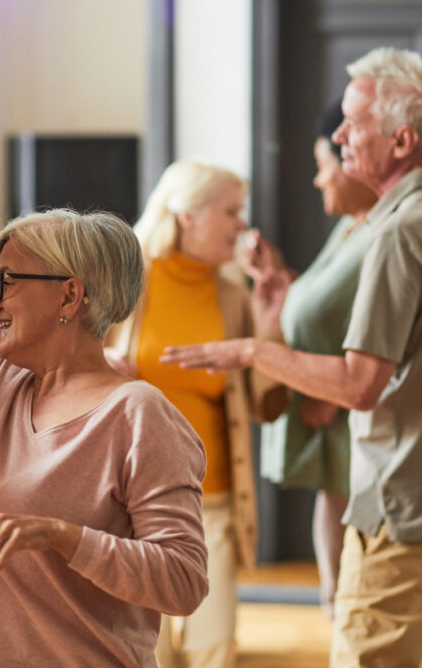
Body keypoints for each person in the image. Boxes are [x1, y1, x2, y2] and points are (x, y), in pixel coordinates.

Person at [160, 47, 422, 667]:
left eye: (354, 124)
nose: (337, 135)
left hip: (405, 508)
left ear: (402, 139)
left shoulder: (399, 231)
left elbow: (359, 385)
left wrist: (255, 349)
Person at [0, 75, 209, 666]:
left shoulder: (139, 415)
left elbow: (184, 579)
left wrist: (64, 538)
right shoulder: (0, 375)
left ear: (70, 297)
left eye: (7, 282)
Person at [106, 160, 284, 668]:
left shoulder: (232, 296)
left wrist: (268, 328)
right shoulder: (123, 285)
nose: (241, 225)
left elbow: (268, 406)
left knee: (214, 650)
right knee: (143, 653)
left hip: (214, 504)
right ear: (187, 215)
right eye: (230, 211)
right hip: (129, 501)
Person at [240, 100, 378, 619]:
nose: (319, 181)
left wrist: (338, 398)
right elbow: (325, 303)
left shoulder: (381, 237)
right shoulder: (348, 229)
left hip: (350, 412)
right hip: (329, 413)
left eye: (324, 165)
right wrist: (278, 278)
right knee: (339, 589)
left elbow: (389, 331)